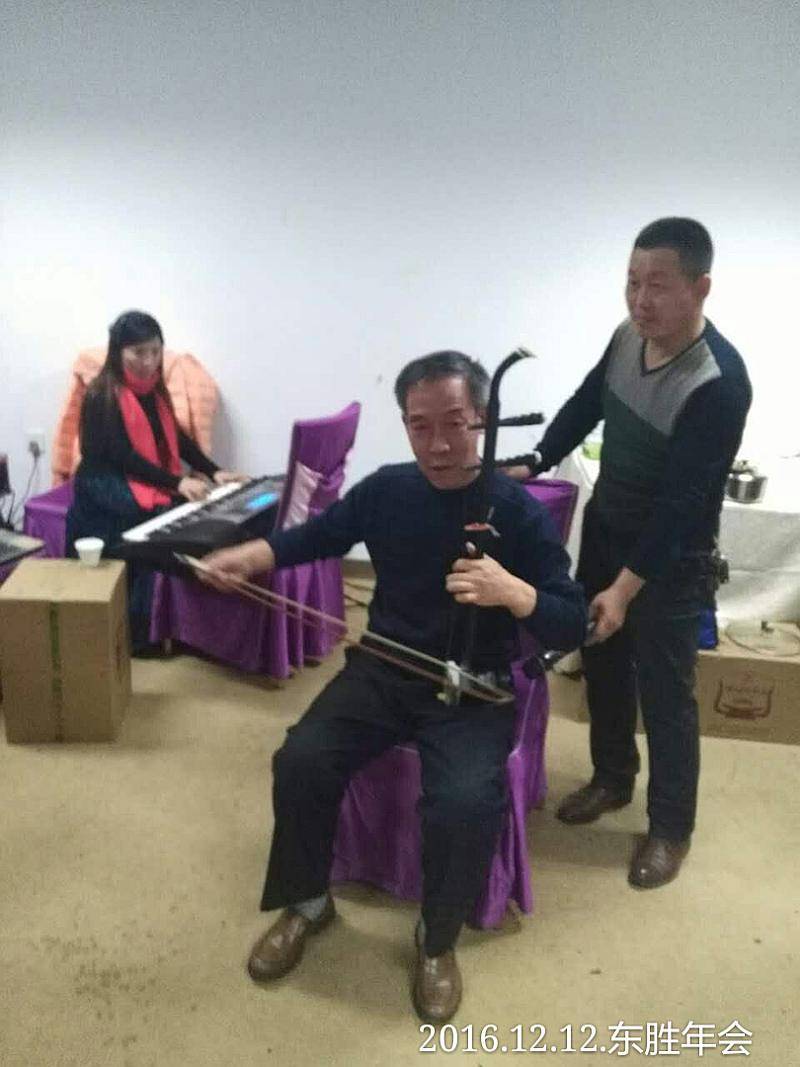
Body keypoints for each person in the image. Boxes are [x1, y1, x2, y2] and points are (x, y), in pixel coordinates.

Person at [200, 350, 586, 1022]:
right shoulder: (388, 490)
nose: (437, 444)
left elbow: (572, 619)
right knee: (301, 759)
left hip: (474, 687)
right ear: (405, 424)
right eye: (419, 425)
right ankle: (307, 903)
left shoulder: (516, 511)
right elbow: (320, 535)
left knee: (463, 800)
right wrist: (251, 556)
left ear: (482, 419)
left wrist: (514, 591)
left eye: (454, 423)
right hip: (385, 665)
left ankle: (436, 940)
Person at [511, 218, 751, 888]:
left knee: (666, 693)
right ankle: (613, 777)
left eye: (659, 286)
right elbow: (589, 400)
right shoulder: (627, 337)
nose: (641, 300)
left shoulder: (719, 382)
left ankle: (671, 828)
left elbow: (682, 505)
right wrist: (538, 457)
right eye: (632, 282)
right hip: (609, 529)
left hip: (671, 559)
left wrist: (623, 588)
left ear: (700, 288)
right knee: (604, 665)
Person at [65, 310, 242, 653]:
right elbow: (121, 455)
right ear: (118, 352)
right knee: (160, 521)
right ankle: (145, 631)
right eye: (138, 352)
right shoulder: (101, 394)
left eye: (155, 351)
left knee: (186, 510)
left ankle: (177, 625)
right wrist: (177, 483)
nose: (148, 362)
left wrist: (213, 470)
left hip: (138, 479)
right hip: (105, 487)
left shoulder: (153, 390)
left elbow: (175, 436)